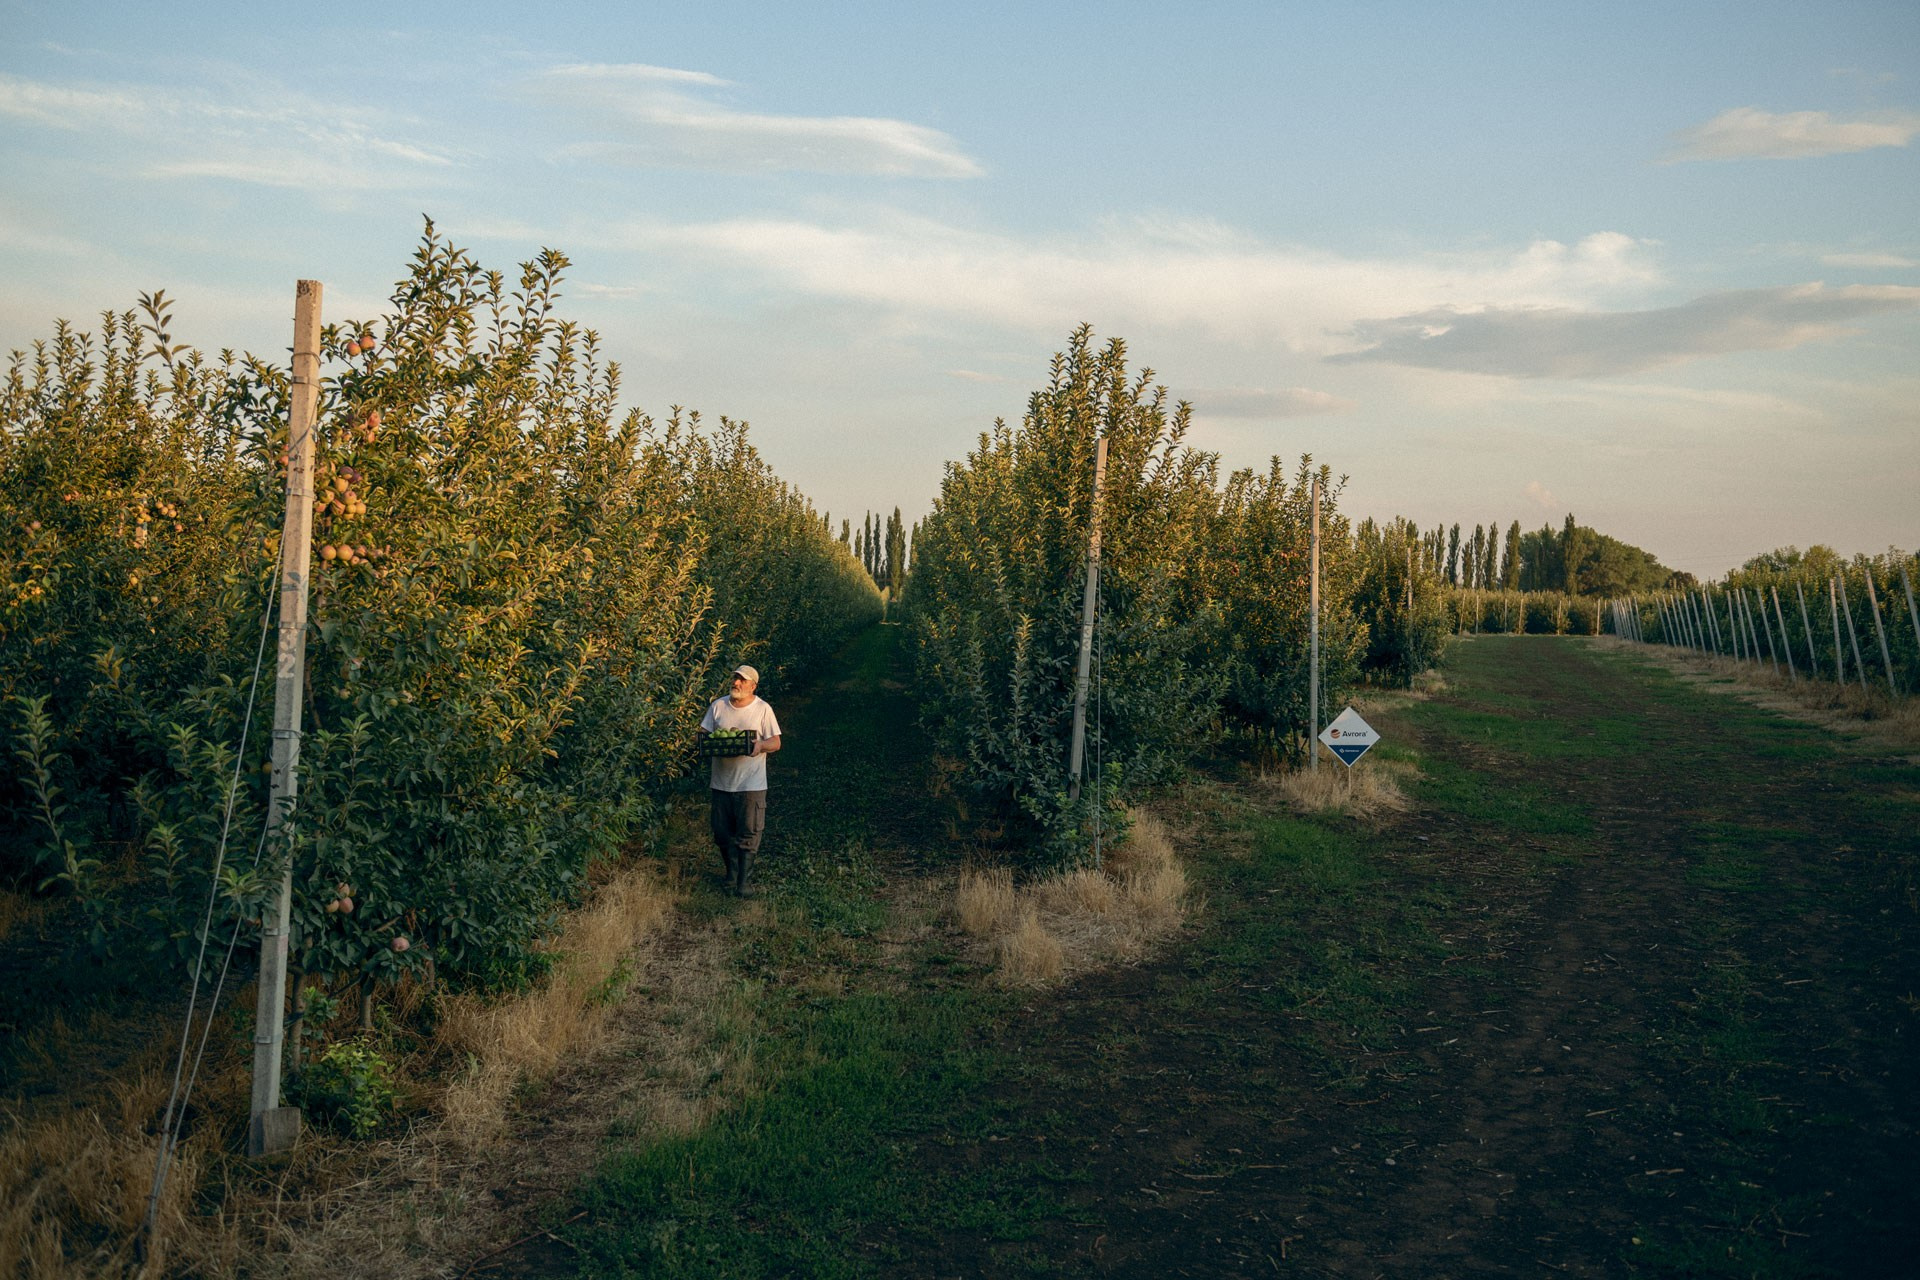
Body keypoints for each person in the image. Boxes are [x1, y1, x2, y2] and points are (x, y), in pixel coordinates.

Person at [696, 664, 782, 897]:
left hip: (750, 784)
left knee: (749, 832)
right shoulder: (718, 706)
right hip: (721, 782)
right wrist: (708, 742)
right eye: (735, 678)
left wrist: (760, 745)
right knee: (721, 833)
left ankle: (743, 882)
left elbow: (775, 742)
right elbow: (704, 734)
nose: (737, 683)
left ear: (753, 685)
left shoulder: (762, 709)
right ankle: (731, 874)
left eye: (743, 680)